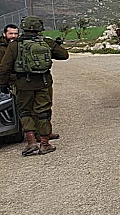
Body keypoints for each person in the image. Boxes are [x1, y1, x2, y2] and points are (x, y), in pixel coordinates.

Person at [0, 16, 69, 156]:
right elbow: (64, 55)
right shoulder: (46, 42)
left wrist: (3, 84)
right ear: (39, 28)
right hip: (43, 83)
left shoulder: (14, 45)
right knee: (43, 111)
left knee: (24, 112)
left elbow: (4, 67)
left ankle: (31, 143)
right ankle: (45, 143)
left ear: (23, 28)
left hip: (22, 84)